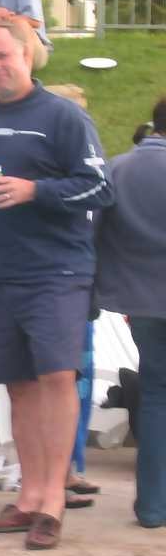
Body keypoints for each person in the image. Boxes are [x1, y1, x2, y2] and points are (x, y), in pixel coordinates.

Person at [0, 19, 112, 549]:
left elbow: (99, 186)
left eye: (4, 55)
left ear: (26, 55)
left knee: (56, 378)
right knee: (17, 384)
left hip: (56, 272)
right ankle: (27, 496)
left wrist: (35, 191)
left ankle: (52, 501)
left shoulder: (63, 116)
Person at [94, 98, 166, 529]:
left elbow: (97, 233)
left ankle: (153, 506)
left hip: (141, 303)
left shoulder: (119, 168)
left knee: (156, 395)